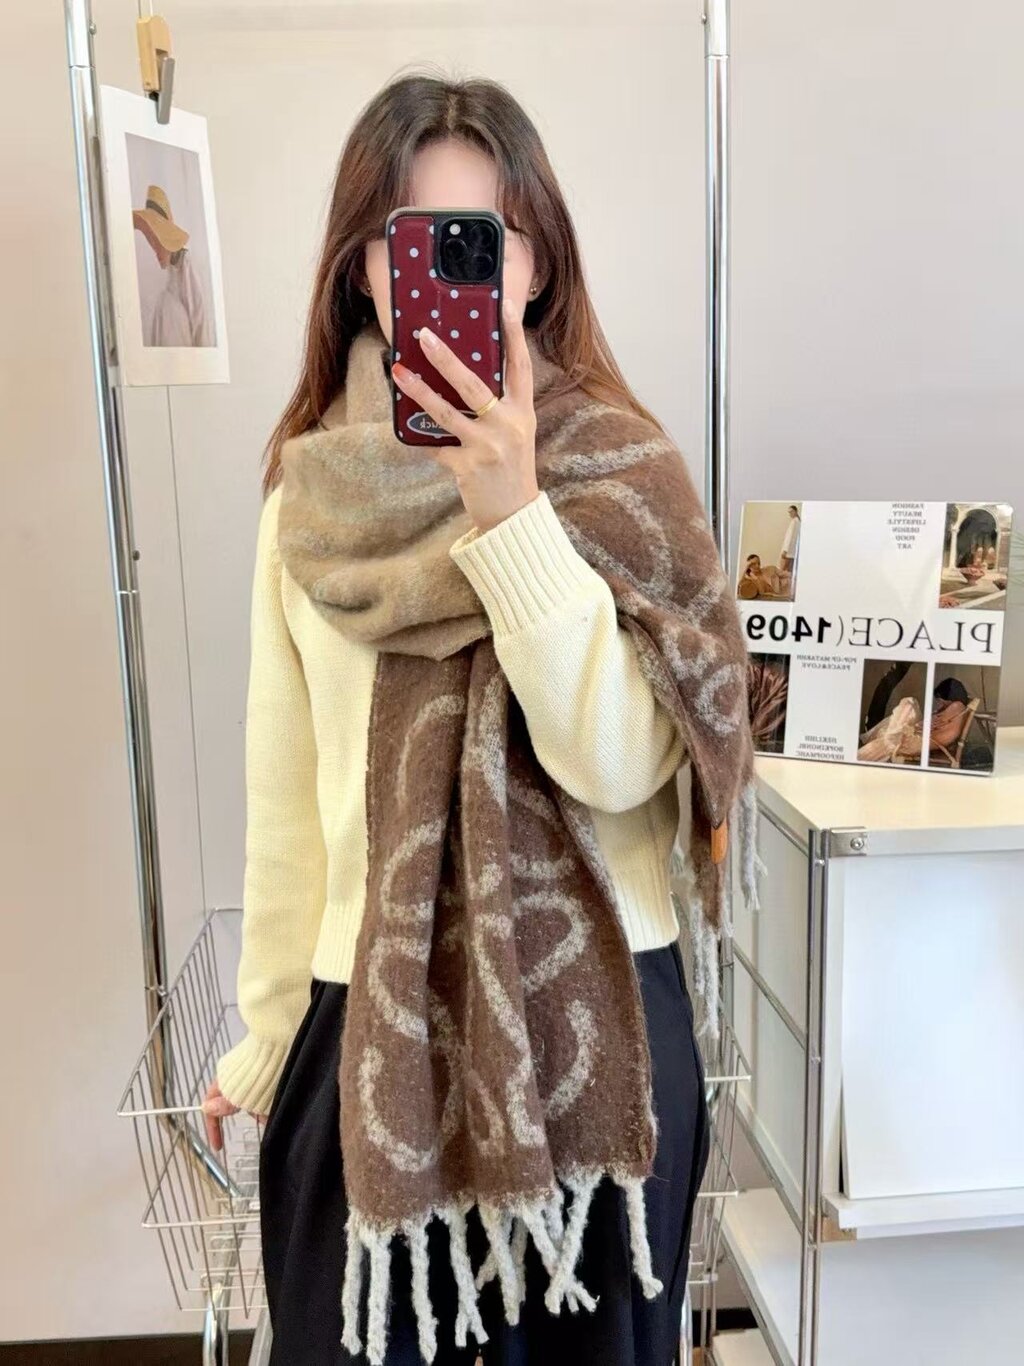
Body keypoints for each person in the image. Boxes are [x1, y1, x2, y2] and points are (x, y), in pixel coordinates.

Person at [201, 73, 753, 1366]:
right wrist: (267, 1039)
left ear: (536, 261)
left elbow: (621, 764)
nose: (450, 270)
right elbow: (289, 806)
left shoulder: (624, 472)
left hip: (604, 1037)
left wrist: (514, 516)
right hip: (369, 1030)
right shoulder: (309, 505)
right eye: (414, 238)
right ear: (363, 271)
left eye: (483, 236)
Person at [132, 183, 213, 347]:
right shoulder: (163, 296)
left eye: (157, 240)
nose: (154, 248)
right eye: (151, 240)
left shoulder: (186, 263)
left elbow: (200, 318)